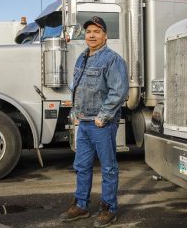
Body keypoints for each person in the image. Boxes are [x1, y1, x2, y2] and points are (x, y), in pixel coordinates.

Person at [60, 16, 129, 227]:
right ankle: (81, 206)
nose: (91, 35)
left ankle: (109, 208)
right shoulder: (82, 57)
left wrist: (103, 116)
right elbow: (77, 85)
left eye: (96, 32)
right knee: (81, 166)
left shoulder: (112, 59)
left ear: (105, 36)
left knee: (108, 167)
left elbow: (119, 92)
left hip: (101, 123)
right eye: (88, 31)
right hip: (83, 122)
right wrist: (75, 110)